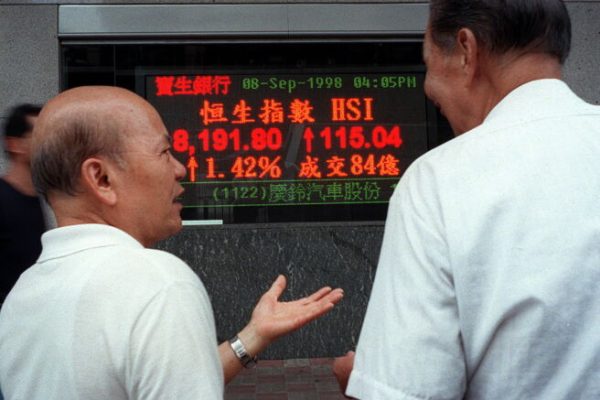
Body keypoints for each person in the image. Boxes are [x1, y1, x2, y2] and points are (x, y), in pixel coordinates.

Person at [0, 86, 344, 400]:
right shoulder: (156, 282)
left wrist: (254, 335)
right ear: (101, 178)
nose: (180, 169)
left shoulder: (22, 297)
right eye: (164, 152)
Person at [334, 0, 600, 398]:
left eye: (427, 62)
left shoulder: (437, 181)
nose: (428, 88)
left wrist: (363, 383)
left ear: (466, 50)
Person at [0, 103, 46, 301]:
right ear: (14, 144)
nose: (46, 142)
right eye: (38, 135)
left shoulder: (41, 198)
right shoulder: (3, 199)